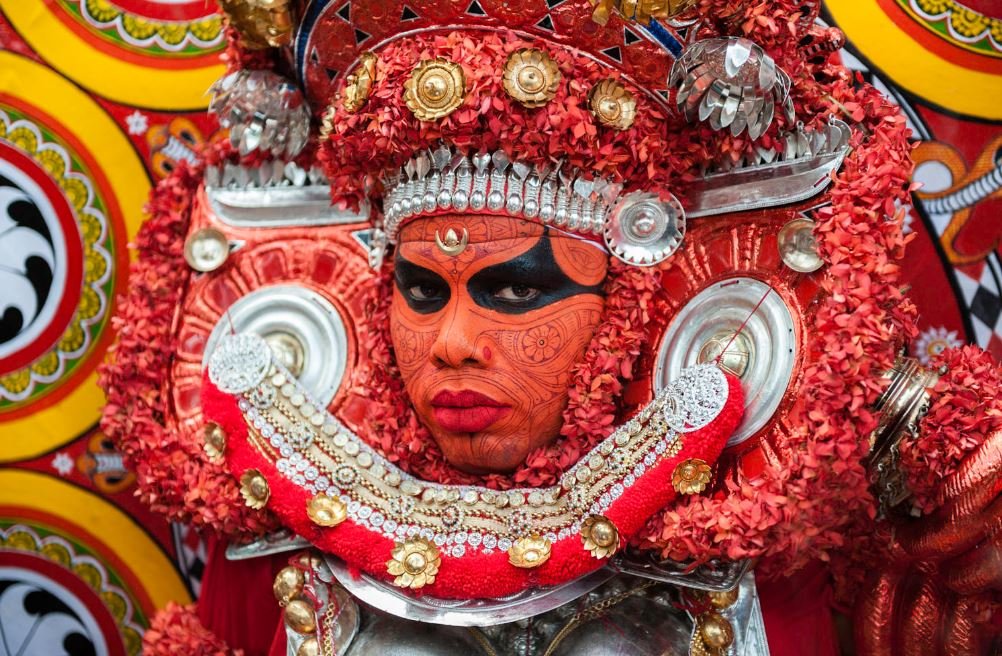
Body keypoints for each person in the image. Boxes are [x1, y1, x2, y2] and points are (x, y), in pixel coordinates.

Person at [100, 1, 1001, 654]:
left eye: (515, 292)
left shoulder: (773, 504)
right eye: (421, 290)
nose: (452, 340)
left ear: (628, 300)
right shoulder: (274, 514)